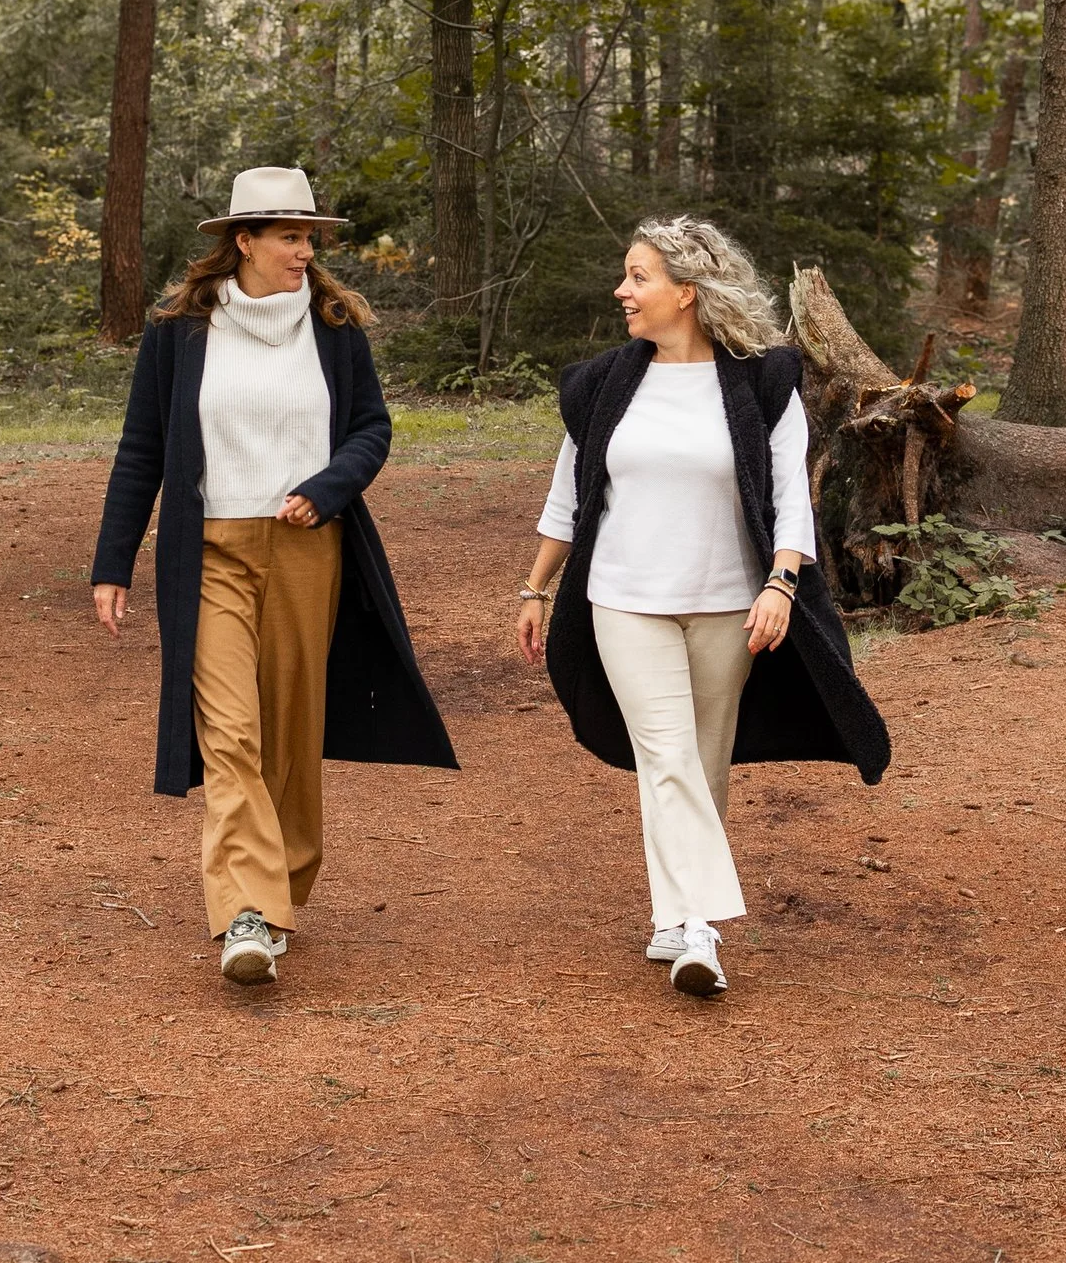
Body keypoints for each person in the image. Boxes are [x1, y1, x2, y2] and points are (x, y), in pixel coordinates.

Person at [91, 165, 456, 985]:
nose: (305, 250)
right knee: (229, 732)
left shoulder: (332, 325)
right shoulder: (180, 330)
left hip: (305, 548)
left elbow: (371, 429)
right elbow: (141, 448)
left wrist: (325, 490)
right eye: (289, 235)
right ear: (242, 240)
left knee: (291, 729)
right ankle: (247, 913)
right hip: (209, 549)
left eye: (310, 236)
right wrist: (114, 562)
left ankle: (283, 881)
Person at [515, 216, 889, 997]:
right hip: (624, 599)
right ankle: (698, 930)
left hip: (728, 605)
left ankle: (673, 914)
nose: (623, 290)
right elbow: (567, 497)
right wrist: (535, 586)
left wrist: (782, 582)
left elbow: (792, 499)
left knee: (704, 761)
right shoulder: (602, 384)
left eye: (639, 277)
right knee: (667, 754)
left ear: (687, 293)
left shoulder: (762, 382)